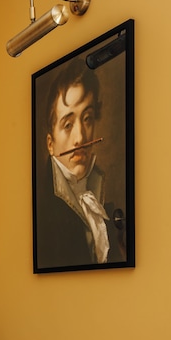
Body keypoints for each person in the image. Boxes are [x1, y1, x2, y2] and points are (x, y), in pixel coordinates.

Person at [35, 59, 124, 270]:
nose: (81, 138)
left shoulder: (100, 200)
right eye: (68, 125)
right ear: (50, 144)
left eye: (87, 118)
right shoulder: (44, 211)